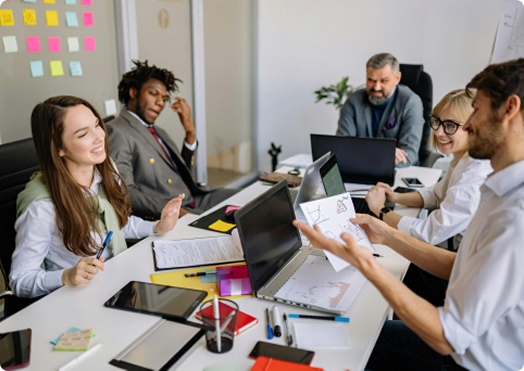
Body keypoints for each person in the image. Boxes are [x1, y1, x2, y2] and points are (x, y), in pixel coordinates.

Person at [296, 59, 524, 370]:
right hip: (464, 344)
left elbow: (448, 336)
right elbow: (463, 264)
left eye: (478, 109)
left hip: (464, 362)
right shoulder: (502, 186)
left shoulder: (515, 214)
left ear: (510, 109)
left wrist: (364, 263)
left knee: (342, 340)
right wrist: (387, 235)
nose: (469, 124)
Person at [10, 96, 183, 299]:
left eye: (97, 125)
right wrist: (67, 275)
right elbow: (20, 280)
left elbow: (115, 226)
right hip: (76, 299)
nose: (99, 136)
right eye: (83, 134)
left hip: (119, 283)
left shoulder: (106, 170)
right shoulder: (41, 206)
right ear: (58, 148)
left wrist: (157, 227)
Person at [107, 60, 239, 220]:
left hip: (197, 197)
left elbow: (184, 175)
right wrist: (173, 211)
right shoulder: (117, 130)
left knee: (253, 198)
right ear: (134, 92)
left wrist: (190, 132)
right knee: (237, 222)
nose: (160, 103)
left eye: (163, 97)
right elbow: (127, 193)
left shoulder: (158, 131)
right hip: (174, 208)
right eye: (153, 94)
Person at [365, 89, 493, 246]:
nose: (439, 132)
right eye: (437, 122)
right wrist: (395, 197)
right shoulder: (463, 158)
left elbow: (427, 232)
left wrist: (380, 209)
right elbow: (437, 194)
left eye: (450, 125)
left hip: (463, 258)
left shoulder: (475, 176)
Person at [336, 53, 424, 167]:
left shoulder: (411, 102)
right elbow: (342, 146)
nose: (376, 87)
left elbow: (408, 155)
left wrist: (361, 153)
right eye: (371, 80)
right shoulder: (353, 100)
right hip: (360, 170)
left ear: (397, 78)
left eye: (384, 81)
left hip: (399, 173)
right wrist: (385, 154)